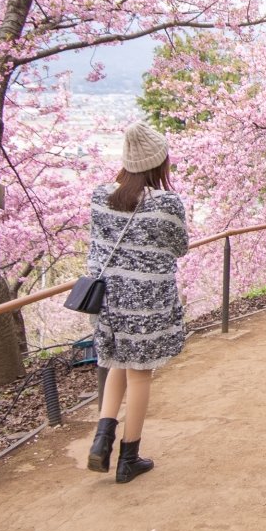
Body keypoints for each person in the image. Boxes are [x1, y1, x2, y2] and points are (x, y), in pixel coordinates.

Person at [85, 122, 190, 483]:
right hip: (147, 302)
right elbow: (179, 247)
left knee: (115, 361)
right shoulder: (167, 203)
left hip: (109, 300)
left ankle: (101, 441)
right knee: (140, 373)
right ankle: (129, 457)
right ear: (159, 163)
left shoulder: (100, 197)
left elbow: (96, 248)